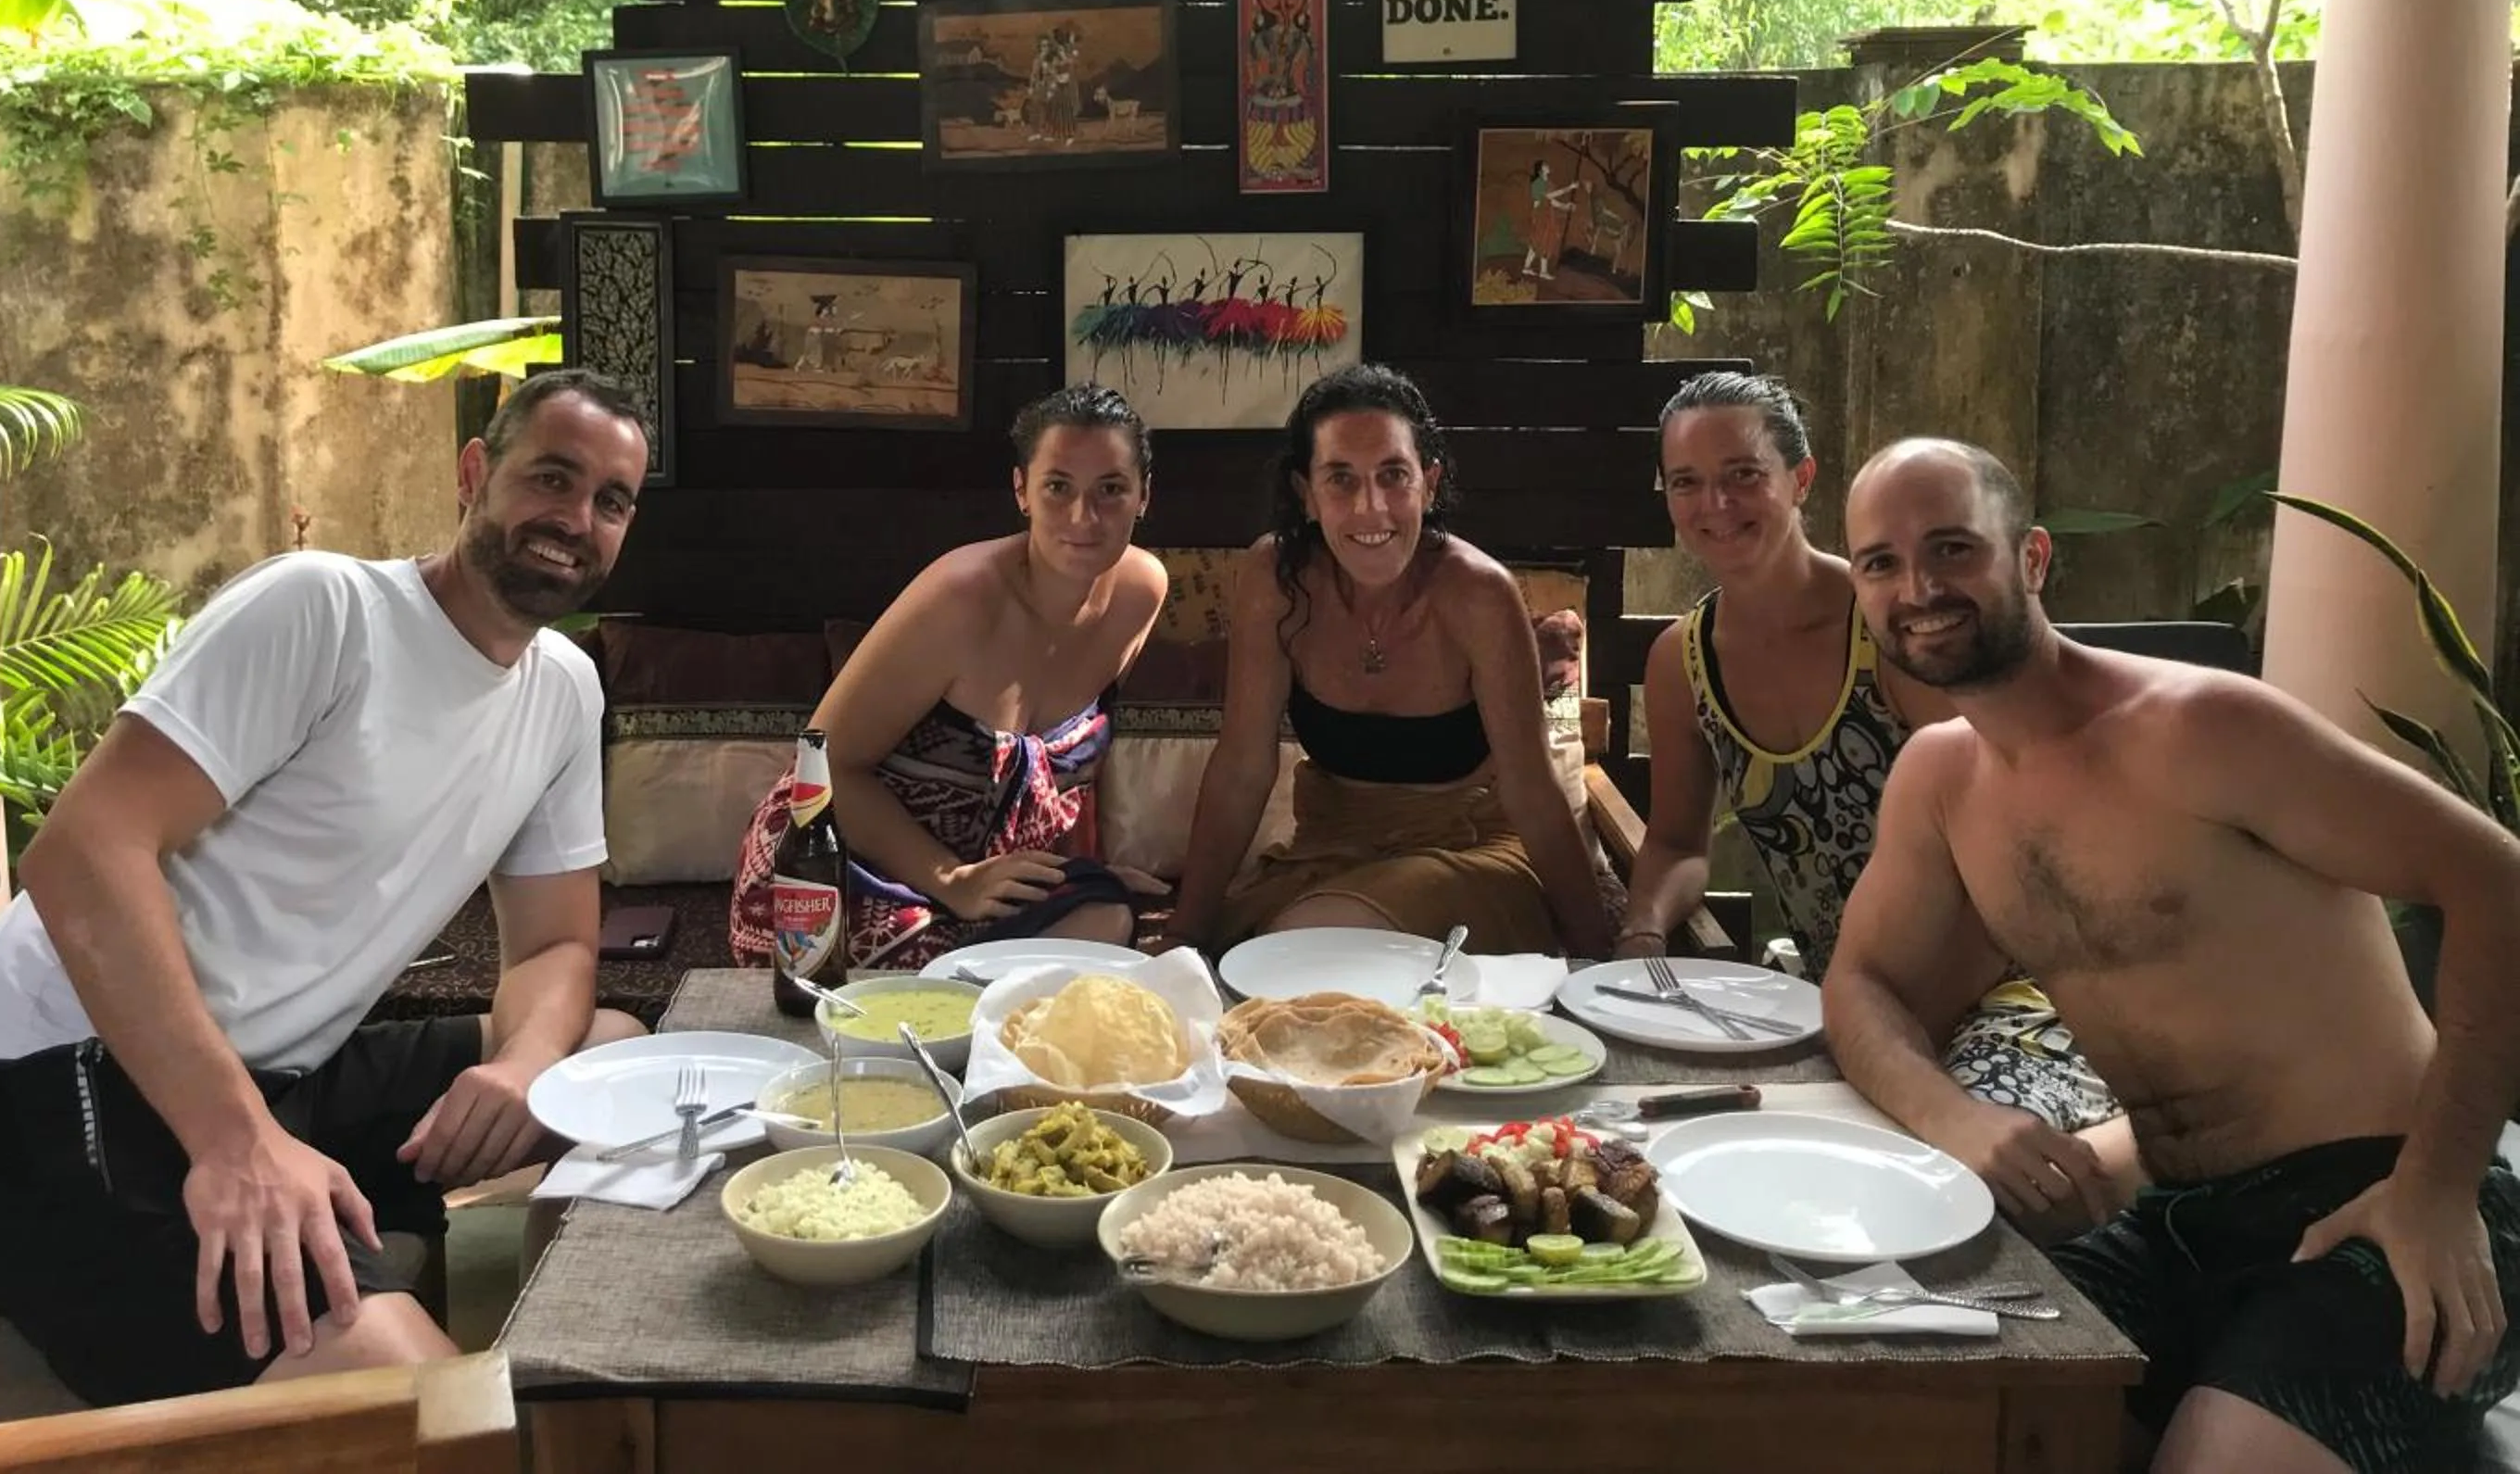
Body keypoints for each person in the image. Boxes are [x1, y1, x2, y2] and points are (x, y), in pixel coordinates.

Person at [0, 369, 655, 1405]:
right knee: (438, 1420)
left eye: (610, 501)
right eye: (552, 477)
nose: (574, 520)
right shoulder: (327, 610)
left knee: (604, 1052)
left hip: (279, 1077)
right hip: (60, 1082)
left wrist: (524, 1066)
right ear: (474, 473)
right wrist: (239, 1144)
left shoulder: (563, 690)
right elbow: (81, 853)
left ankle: (570, 1350)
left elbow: (554, 949)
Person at [1827, 436, 2520, 1474]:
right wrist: (1959, 1118)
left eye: (1953, 547)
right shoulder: (1943, 782)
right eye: (1880, 562)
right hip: (2180, 1219)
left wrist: (2439, 1187)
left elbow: (2497, 880)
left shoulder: (2198, 729)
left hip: (2379, 1199)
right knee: (1955, 1421)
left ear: (2033, 558)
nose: (1918, 587)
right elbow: (1860, 984)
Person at [1616, 372, 2123, 1165]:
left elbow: (2006, 861)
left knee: (1962, 1178)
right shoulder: (1682, 660)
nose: (1715, 504)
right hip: (1856, 1013)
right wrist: (1642, 934)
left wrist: (1876, 1032)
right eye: (1688, 483)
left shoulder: (1892, 625)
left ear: (1801, 477)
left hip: (2011, 992)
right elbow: (1679, 843)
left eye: (1743, 474)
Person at [1160, 363, 1622, 955]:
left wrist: (1590, 952)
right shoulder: (1274, 581)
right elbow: (1242, 769)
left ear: (1428, 484)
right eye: (1341, 479)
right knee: (1247, 950)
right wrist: (1184, 935)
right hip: (1329, 852)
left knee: (1306, 943)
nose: (1370, 508)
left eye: (1393, 476)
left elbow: (1532, 790)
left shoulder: (1479, 593)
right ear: (1306, 494)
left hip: (1471, 851)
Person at [729, 383, 1169, 970]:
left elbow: (1066, 772)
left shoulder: (1141, 592)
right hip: (842, 864)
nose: (1082, 517)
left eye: (1110, 490)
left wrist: (1078, 866)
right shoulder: (960, 598)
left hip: (988, 877)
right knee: (943, 979)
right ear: (1022, 491)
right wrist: (951, 879)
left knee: (1109, 915)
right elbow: (825, 769)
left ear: (1144, 496)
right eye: (1058, 487)